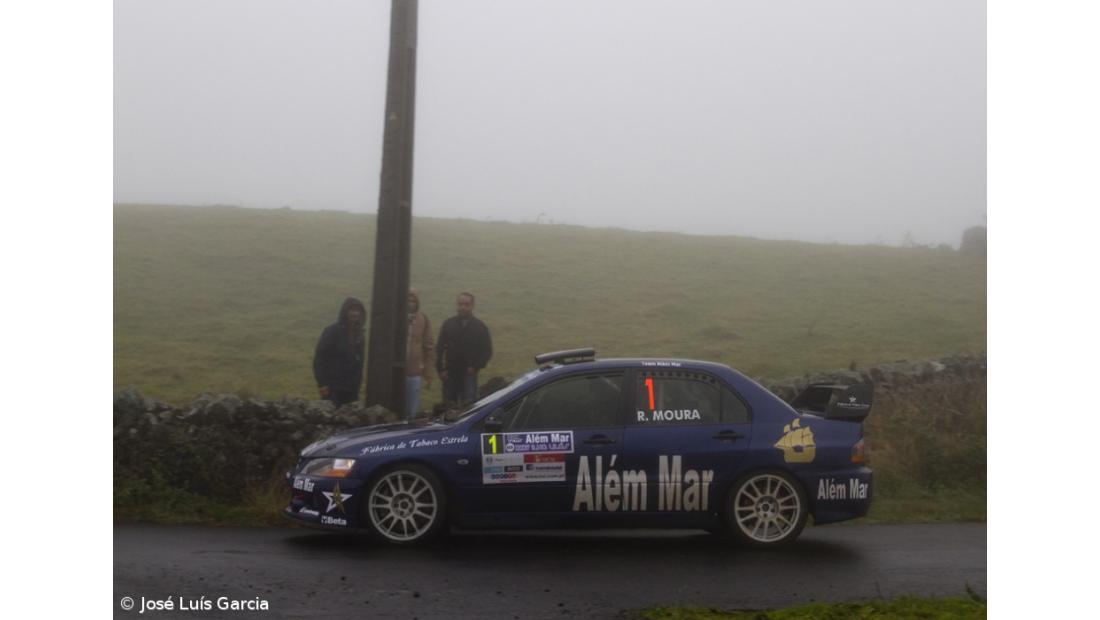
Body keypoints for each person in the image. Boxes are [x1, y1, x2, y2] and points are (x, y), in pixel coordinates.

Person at [436, 292, 492, 406]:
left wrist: (475, 367)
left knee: (468, 407)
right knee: (448, 407)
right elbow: (439, 348)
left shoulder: (480, 326)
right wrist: (440, 370)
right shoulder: (448, 324)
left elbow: (487, 350)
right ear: (457, 305)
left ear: (472, 306)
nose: (463, 307)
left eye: (466, 304)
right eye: (460, 304)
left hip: (469, 374)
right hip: (450, 373)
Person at [312, 297, 366, 406]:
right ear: (345, 312)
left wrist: (357, 384)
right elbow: (320, 358)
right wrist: (322, 384)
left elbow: (359, 362)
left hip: (352, 389)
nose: (355, 313)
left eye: (357, 310)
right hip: (333, 388)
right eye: (351, 310)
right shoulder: (332, 331)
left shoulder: (359, 335)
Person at [405, 289, 435, 420]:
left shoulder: (423, 319)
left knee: (412, 411)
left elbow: (429, 346)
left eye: (413, 301)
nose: (410, 304)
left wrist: (428, 371)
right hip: (395, 373)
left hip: (414, 372)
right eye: (408, 300)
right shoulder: (395, 317)